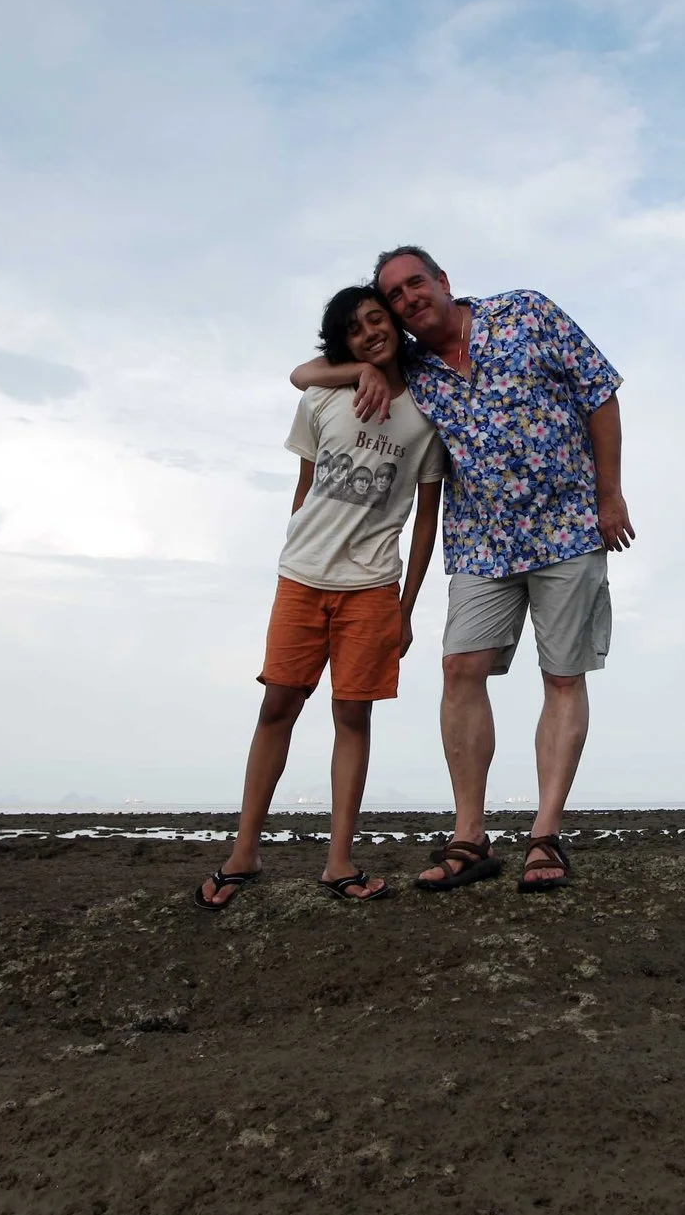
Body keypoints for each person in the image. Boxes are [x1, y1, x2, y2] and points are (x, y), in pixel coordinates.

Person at [290, 246, 629, 893]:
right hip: (480, 541)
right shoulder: (408, 368)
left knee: (562, 676)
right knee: (459, 668)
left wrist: (609, 493)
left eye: (416, 282)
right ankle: (470, 836)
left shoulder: (526, 312)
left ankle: (545, 836)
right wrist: (362, 370)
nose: (409, 296)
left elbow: (599, 390)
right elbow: (305, 372)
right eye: (394, 294)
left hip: (568, 528)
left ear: (443, 282)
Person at [195, 286, 446, 910]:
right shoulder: (320, 398)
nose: (369, 333)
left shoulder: (426, 412)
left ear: (393, 325)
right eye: (355, 329)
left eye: (376, 319)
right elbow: (303, 487)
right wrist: (302, 551)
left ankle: (339, 862)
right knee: (276, 707)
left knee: (352, 717)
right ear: (344, 343)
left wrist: (406, 605)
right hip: (302, 579)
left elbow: (425, 521)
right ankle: (243, 853)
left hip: (371, 589)